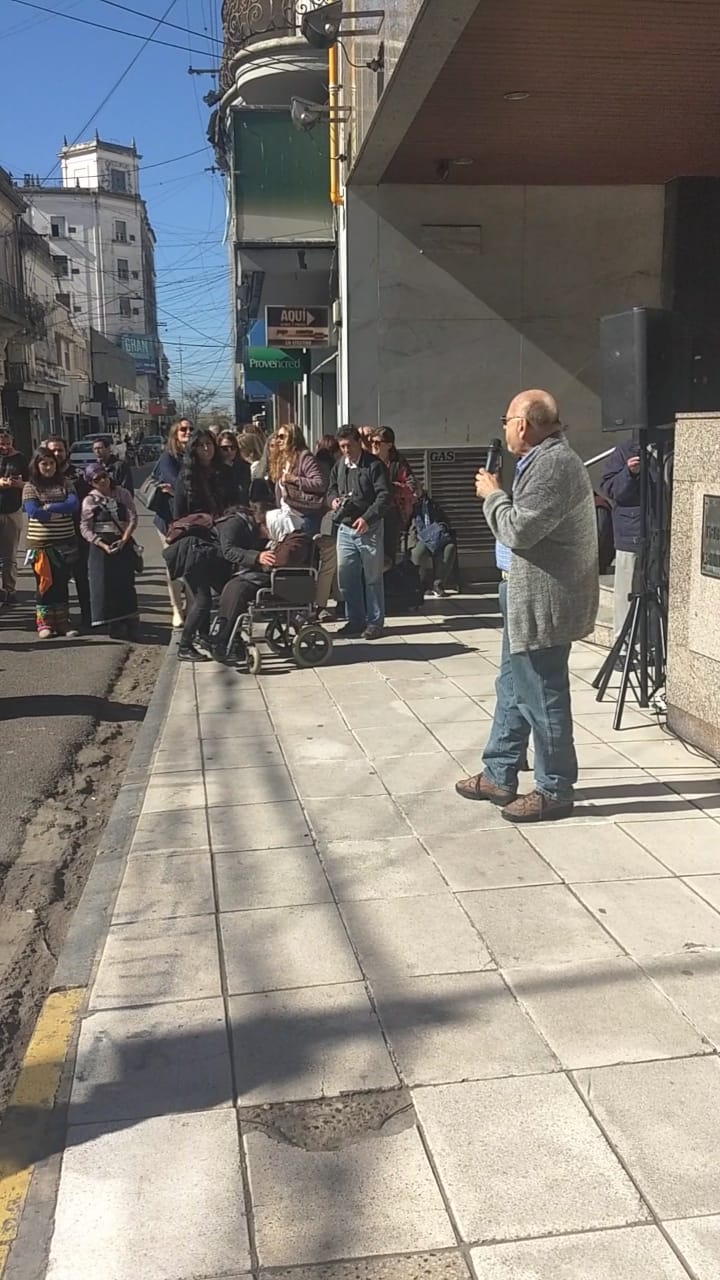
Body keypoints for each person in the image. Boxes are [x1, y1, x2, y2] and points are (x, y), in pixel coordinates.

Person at [456, 390, 598, 824]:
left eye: (505, 421)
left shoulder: (553, 465)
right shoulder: (540, 460)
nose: (503, 429)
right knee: (513, 687)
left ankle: (554, 789)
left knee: (542, 694)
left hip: (545, 601)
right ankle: (499, 773)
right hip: (524, 594)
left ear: (521, 424)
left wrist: (492, 495)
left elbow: (519, 530)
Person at [327, 424, 391, 640]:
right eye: (342, 446)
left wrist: (368, 518)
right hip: (345, 528)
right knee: (346, 576)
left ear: (358, 443)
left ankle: (375, 622)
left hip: (369, 528)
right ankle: (355, 619)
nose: (346, 450)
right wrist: (333, 501)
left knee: (372, 577)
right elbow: (331, 488)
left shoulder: (374, 466)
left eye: (349, 445)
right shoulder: (339, 466)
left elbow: (384, 496)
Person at [22, 449, 80, 639]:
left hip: (65, 542)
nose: (48, 467)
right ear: (37, 465)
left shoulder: (66, 483)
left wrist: (50, 507)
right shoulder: (30, 486)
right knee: (45, 583)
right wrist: (58, 513)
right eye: (44, 464)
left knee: (62, 583)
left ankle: (63, 622)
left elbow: (73, 504)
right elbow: (33, 511)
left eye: (52, 463)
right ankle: (44, 623)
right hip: (41, 545)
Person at [80, 463, 140, 639]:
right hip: (101, 547)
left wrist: (124, 539)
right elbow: (85, 527)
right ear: (91, 482)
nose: (102, 481)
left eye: (104, 476)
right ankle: (114, 623)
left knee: (125, 583)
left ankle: (131, 621)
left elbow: (132, 517)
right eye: (96, 479)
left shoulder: (122, 493)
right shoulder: (90, 500)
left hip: (122, 542)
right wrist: (102, 544)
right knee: (106, 586)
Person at [43, 435, 92, 629]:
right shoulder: (41, 476)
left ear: (66, 452)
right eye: (52, 450)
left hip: (77, 533)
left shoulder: (78, 475)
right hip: (52, 534)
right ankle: (62, 620)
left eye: (60, 450)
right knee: (57, 579)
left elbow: (87, 502)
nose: (56, 454)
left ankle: (88, 617)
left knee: (81, 576)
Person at [150, 419, 191, 627]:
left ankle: (191, 605)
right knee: (173, 563)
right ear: (175, 434)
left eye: (191, 429)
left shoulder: (195, 457)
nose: (188, 432)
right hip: (168, 518)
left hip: (192, 517)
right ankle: (176, 608)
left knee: (193, 562)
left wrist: (180, 490)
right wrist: (181, 490)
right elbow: (176, 482)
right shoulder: (167, 457)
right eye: (183, 429)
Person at [599, 438, 641, 638]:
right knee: (627, 592)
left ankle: (653, 642)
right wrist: (629, 473)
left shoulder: (671, 446)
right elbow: (609, 488)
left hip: (663, 533)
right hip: (631, 533)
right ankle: (624, 643)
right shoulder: (626, 450)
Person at [370, 426, 420, 567]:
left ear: (389, 445)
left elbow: (411, 486)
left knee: (388, 552)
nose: (373, 445)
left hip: (391, 512)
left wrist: (390, 487)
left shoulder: (398, 463)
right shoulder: (368, 461)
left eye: (378, 442)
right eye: (372, 442)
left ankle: (388, 577)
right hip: (370, 511)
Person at [268, 423, 326, 536]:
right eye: (277, 437)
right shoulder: (282, 460)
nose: (278, 440)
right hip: (287, 516)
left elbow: (320, 483)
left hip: (304, 516)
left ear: (293, 438)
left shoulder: (305, 458)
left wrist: (294, 479)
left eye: (282, 437)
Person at [408, 492, 458, 597]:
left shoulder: (432, 505)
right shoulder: (408, 506)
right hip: (419, 538)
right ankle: (421, 584)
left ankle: (438, 584)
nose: (415, 494)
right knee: (419, 552)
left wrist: (441, 528)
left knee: (449, 548)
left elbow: (444, 520)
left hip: (435, 536)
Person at [0, 426, 29, 606]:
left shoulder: (20, 458)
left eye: (7, 443)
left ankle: (9, 590)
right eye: (1, 444)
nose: (4, 447)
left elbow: (30, 482)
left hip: (12, 510)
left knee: (9, 555)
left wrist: (19, 484)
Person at [174, 428, 226, 521]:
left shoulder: (224, 471)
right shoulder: (186, 476)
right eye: (201, 445)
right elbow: (179, 512)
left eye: (209, 444)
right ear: (194, 449)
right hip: (197, 525)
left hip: (224, 523)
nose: (206, 448)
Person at [217, 430, 251, 507]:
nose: (229, 451)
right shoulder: (215, 469)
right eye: (225, 448)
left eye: (232, 447)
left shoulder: (244, 467)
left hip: (242, 508)